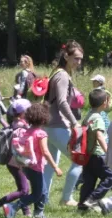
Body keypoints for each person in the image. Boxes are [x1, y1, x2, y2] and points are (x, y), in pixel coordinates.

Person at [3, 103, 63, 218]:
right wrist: (55, 167)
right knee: (37, 194)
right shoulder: (41, 134)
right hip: (36, 168)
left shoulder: (27, 131)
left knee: (42, 191)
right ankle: (13, 207)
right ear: (44, 118)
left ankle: (38, 214)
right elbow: (45, 152)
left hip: (27, 166)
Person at [43, 40, 84, 206]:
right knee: (79, 159)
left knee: (48, 167)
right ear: (66, 56)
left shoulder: (58, 73)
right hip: (57, 126)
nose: (78, 62)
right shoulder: (62, 75)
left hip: (49, 126)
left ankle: (41, 200)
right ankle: (66, 198)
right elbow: (61, 102)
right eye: (76, 58)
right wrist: (75, 123)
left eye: (81, 59)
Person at [0, 99, 32, 217]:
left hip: (14, 161)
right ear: (22, 113)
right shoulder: (20, 126)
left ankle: (26, 211)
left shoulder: (16, 122)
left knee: (22, 187)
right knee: (24, 190)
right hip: (16, 162)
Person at [78, 90, 112, 211]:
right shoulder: (98, 118)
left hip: (88, 154)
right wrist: (108, 152)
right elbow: (99, 136)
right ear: (104, 103)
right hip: (98, 154)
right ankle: (93, 199)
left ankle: (82, 205)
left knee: (89, 181)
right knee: (110, 178)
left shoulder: (88, 115)